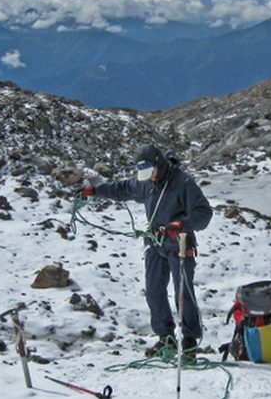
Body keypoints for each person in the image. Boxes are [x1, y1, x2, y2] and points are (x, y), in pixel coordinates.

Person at [83, 144, 213, 359]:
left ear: (159, 164)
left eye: (151, 172)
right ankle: (166, 339)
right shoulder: (146, 184)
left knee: (184, 293)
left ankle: (189, 341)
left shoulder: (183, 182)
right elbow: (122, 188)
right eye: (145, 174)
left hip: (179, 243)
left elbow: (204, 213)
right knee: (154, 292)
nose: (150, 178)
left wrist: (182, 224)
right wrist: (95, 191)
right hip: (155, 243)